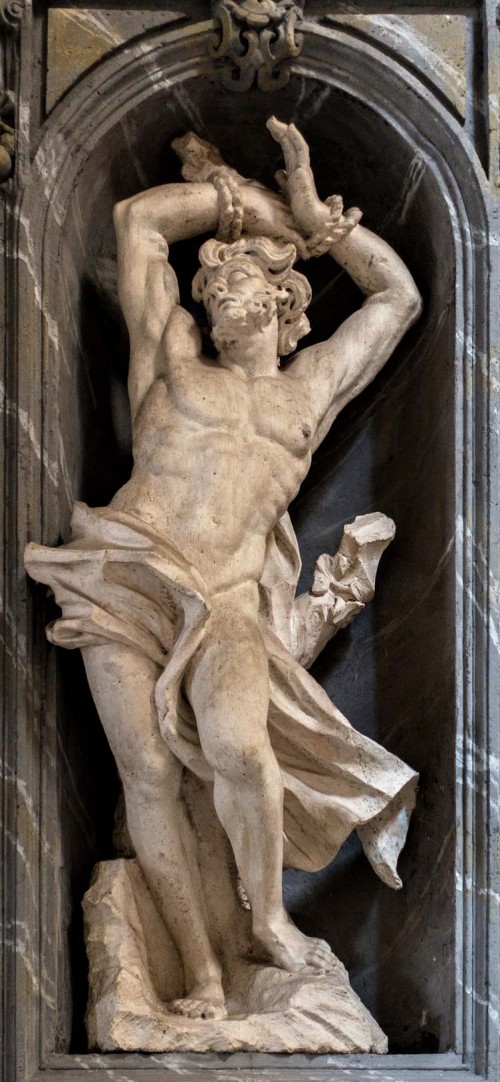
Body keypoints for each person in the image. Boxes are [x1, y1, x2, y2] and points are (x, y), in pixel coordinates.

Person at [25, 118, 421, 1021]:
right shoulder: (167, 361)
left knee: (243, 750)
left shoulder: (311, 389)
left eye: (236, 276)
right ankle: (198, 975)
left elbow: (396, 297)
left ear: (286, 301)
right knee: (149, 778)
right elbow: (136, 223)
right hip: (128, 571)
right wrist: (243, 201)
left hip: (231, 598)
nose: (215, 291)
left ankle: (270, 925)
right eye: (209, 282)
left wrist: (318, 220)